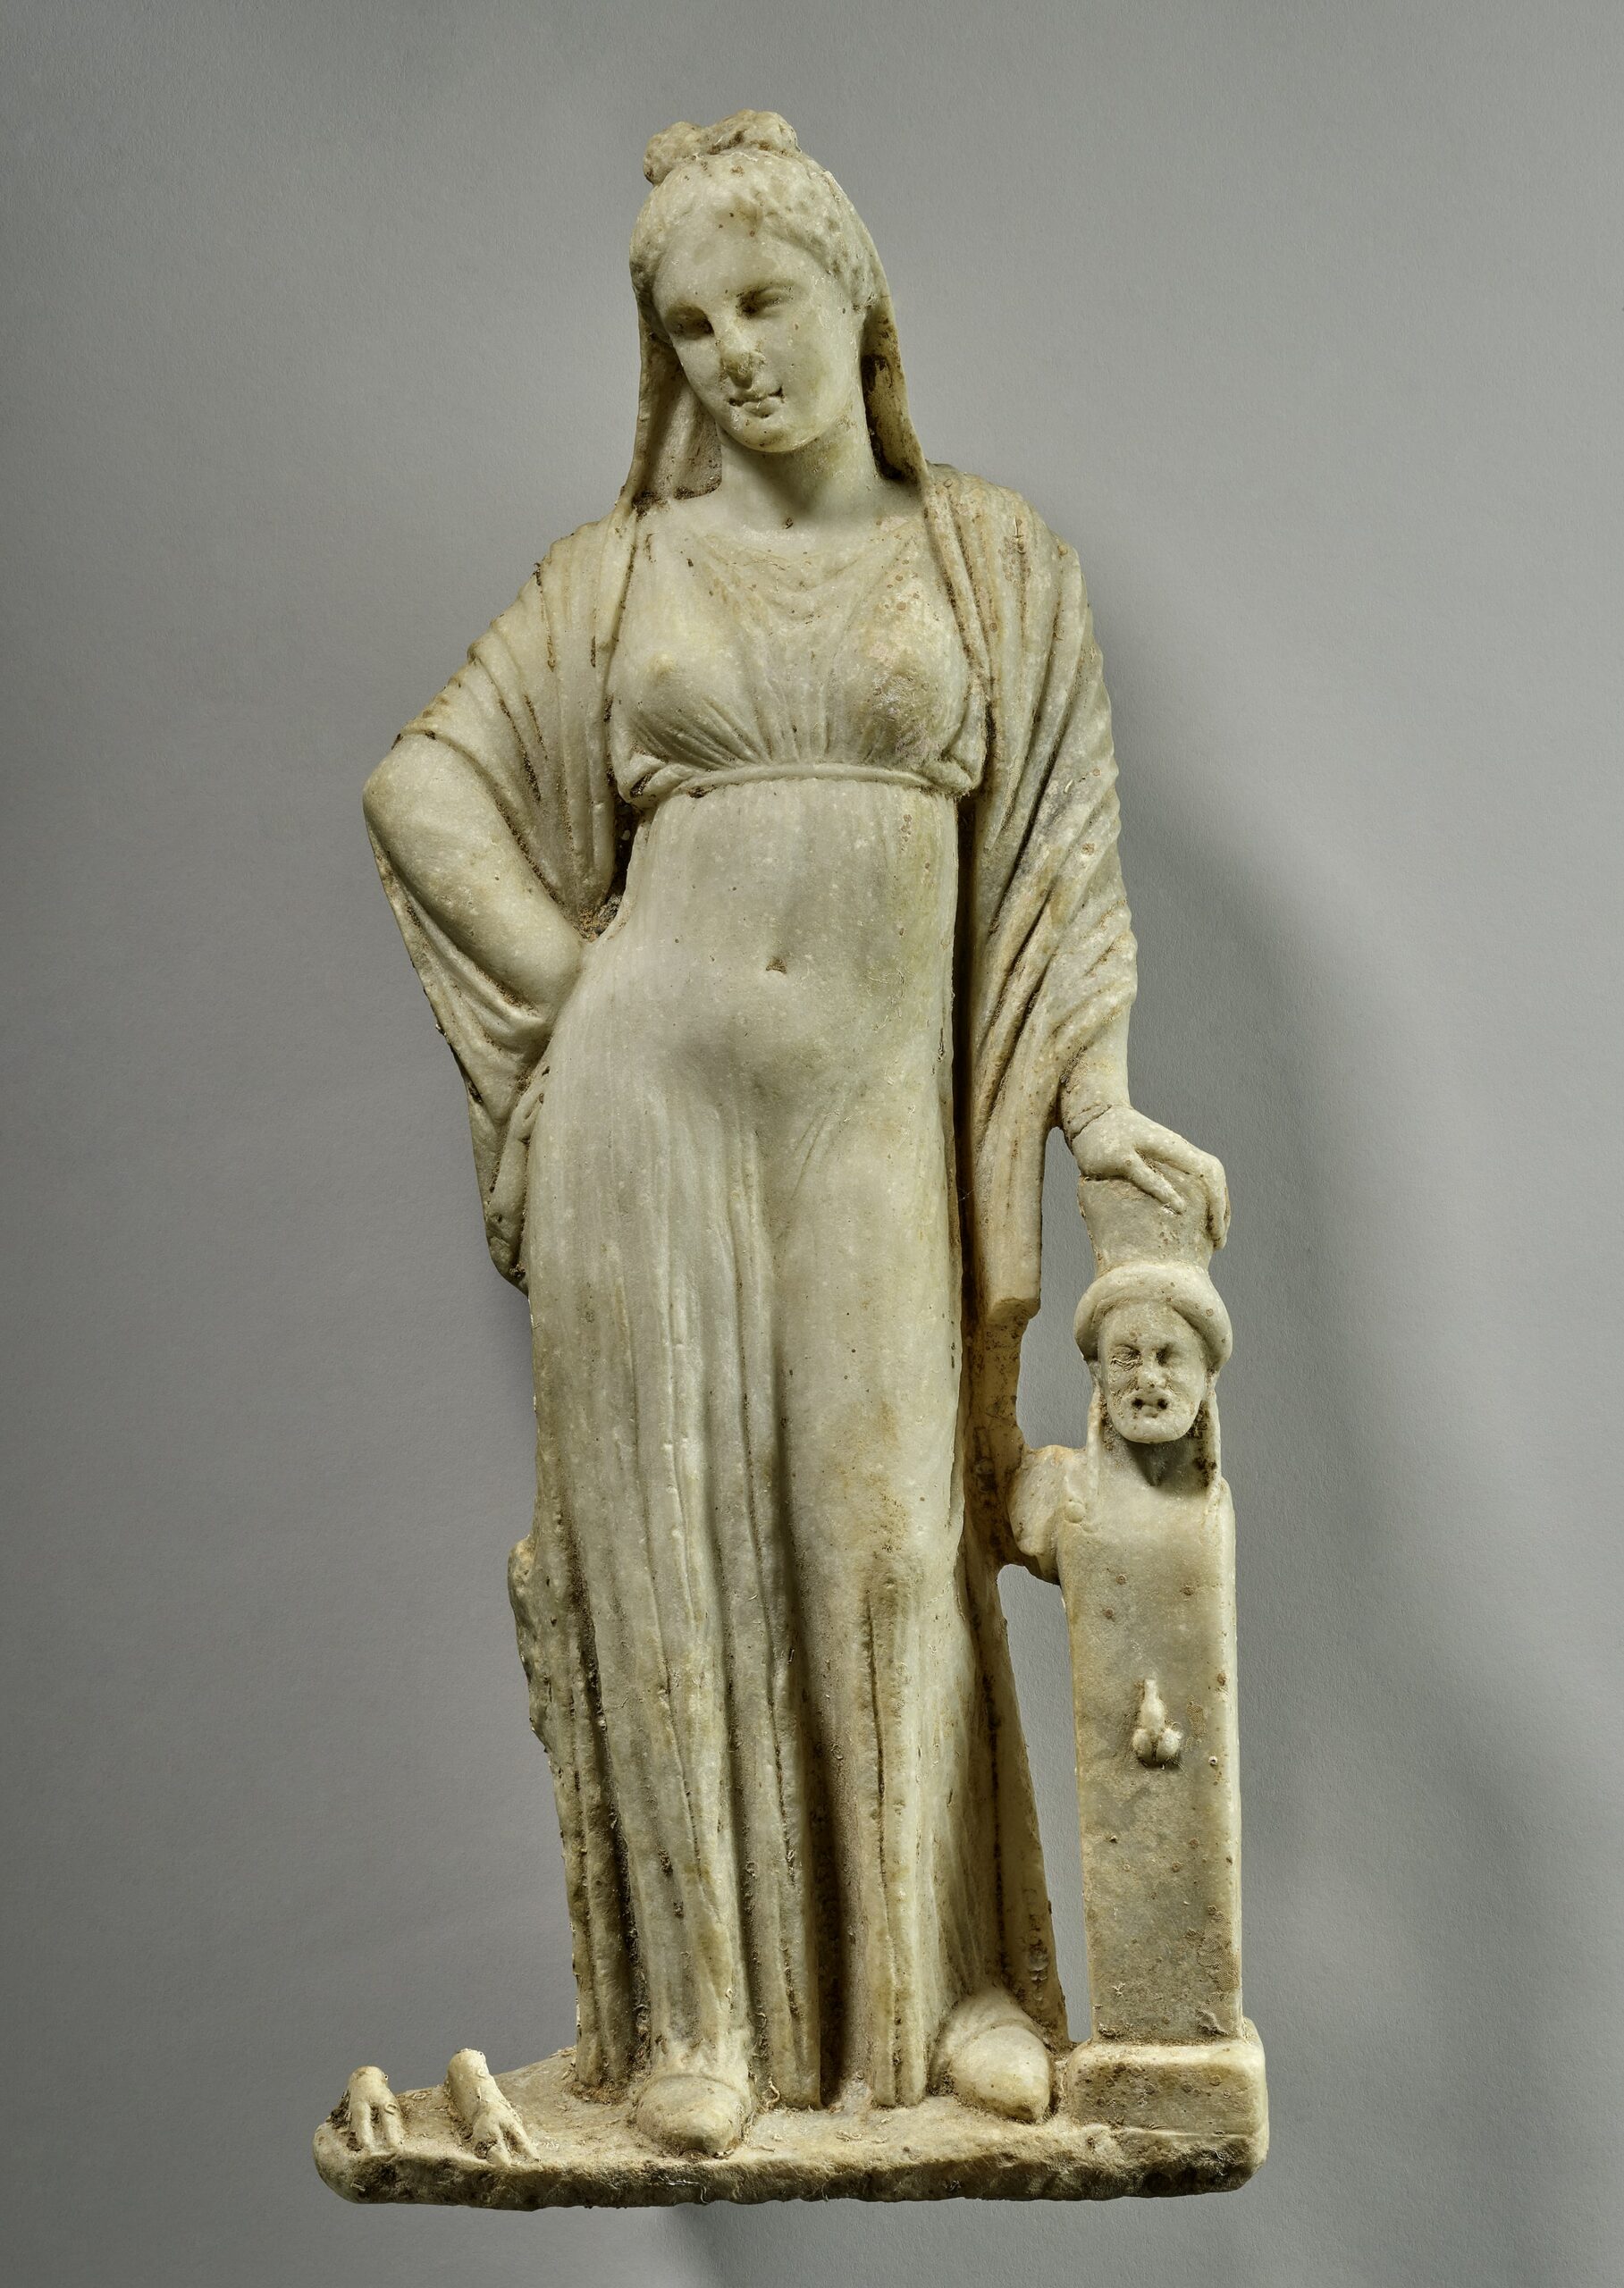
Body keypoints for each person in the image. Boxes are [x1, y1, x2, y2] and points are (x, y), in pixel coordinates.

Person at [363, 109, 1226, 2159]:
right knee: (665, 1543)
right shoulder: (614, 575)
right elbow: (422, 785)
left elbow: (1060, 875)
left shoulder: (989, 560)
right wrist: (585, 995)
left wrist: (1099, 1099)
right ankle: (700, 2021)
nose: (735, 353)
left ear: (858, 300)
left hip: (867, 1113)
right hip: (644, 1115)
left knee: (887, 1529)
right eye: (691, 326)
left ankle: (936, 2005)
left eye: (765, 300)